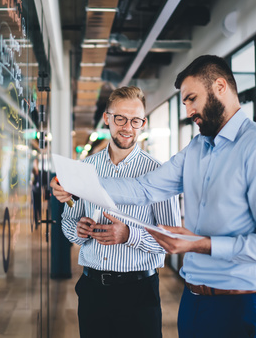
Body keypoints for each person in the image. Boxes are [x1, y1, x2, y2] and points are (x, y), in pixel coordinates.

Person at [52, 56, 256, 338]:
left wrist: (199, 244)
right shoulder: (197, 148)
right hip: (192, 301)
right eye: (185, 103)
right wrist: (78, 183)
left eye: (192, 99)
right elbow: (143, 189)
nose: (189, 110)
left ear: (220, 86)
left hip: (238, 303)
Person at [51, 86, 180, 338]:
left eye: (135, 121)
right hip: (92, 290)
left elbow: (171, 239)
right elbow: (68, 223)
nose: (127, 127)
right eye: (120, 118)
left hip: (139, 292)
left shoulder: (159, 173)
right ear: (107, 118)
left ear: (143, 123)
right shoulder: (85, 168)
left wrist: (129, 235)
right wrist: (79, 231)